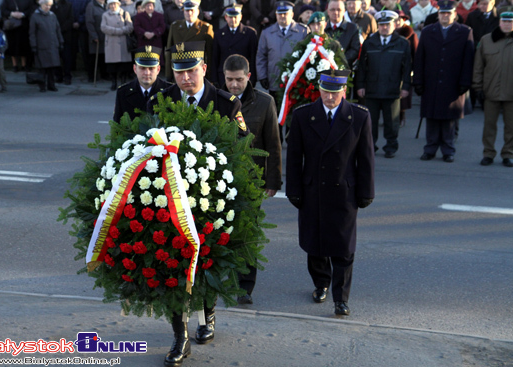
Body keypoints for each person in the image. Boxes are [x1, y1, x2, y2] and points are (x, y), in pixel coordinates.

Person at [146, 41, 247, 367]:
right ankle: (181, 337)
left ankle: (209, 315)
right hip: (170, 198)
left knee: (207, 263)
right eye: (179, 72)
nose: (186, 78)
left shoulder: (227, 103)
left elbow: (241, 149)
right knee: (172, 265)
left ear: (204, 69)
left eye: (192, 71)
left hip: (212, 199)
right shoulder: (163, 100)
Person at [286, 69, 375, 317]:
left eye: (335, 93)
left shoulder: (358, 117)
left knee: (344, 248)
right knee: (315, 244)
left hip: (343, 192)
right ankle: (320, 283)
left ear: (343, 92)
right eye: (325, 91)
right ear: (319, 89)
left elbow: (366, 159)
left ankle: (341, 298)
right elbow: (294, 158)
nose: (329, 97)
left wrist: (366, 191)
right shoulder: (304, 116)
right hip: (313, 190)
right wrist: (293, 189)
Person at [222, 54, 281, 304]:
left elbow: (274, 144)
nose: (234, 85)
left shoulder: (265, 102)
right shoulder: (217, 99)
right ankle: (223, 278)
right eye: (229, 80)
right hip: (221, 179)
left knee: (247, 233)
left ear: (249, 77)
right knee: (222, 232)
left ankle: (245, 286)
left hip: (251, 180)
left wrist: (273, 181)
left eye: (238, 80)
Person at [413, 0, 475, 163]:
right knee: (431, 116)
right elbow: (420, 58)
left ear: (455, 15)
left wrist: (465, 82)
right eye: (442, 13)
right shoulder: (428, 31)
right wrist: (418, 80)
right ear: (438, 14)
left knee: (449, 118)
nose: (445, 16)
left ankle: (448, 150)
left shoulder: (464, 31)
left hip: (453, 81)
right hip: (431, 80)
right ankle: (430, 148)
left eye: (448, 13)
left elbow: (468, 59)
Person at [356, 10, 411, 158]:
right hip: (372, 89)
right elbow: (362, 67)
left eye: (387, 25)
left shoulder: (402, 43)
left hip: (393, 89)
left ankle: (391, 146)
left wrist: (406, 87)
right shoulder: (369, 43)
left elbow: (407, 68)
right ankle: (370, 145)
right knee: (370, 121)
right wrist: (360, 85)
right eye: (381, 25)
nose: (384, 28)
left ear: (394, 25)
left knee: (391, 121)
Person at [473, 10, 513, 167]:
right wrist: (477, 86)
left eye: (510, 22)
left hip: (511, 92)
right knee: (489, 126)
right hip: (491, 91)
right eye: (504, 21)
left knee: (511, 127)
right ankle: (488, 153)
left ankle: (508, 154)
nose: (507, 24)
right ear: (499, 22)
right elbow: (478, 65)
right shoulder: (487, 40)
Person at [257, 1, 308, 100]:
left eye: (285, 13)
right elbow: (261, 56)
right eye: (279, 14)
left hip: (296, 81)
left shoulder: (303, 31)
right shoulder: (267, 33)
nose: (282, 16)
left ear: (292, 14)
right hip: (274, 80)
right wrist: (262, 76)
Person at [113, 45, 172, 122]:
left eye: (151, 68)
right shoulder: (123, 92)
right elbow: (117, 126)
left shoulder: (170, 91)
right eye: (142, 68)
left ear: (158, 69)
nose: (147, 73)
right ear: (135, 69)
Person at [165, 0, 213, 81]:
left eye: (192, 10)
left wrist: (209, 75)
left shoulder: (206, 28)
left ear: (198, 12)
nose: (189, 13)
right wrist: (169, 75)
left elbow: (210, 54)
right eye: (187, 10)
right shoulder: (175, 26)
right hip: (179, 69)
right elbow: (169, 52)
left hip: (196, 71)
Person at [212, 3, 258, 87]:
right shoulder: (218, 34)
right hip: (224, 77)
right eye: (230, 17)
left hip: (242, 76)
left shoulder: (250, 33)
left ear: (241, 17)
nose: (233, 20)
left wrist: (253, 78)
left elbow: (253, 57)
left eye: (235, 17)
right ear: (226, 17)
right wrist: (214, 79)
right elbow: (215, 58)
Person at [29, 0, 64, 92]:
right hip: (41, 46)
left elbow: (57, 29)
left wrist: (61, 42)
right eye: (46, 5)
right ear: (41, 4)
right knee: (42, 68)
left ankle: (51, 85)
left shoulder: (52, 15)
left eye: (50, 5)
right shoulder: (35, 16)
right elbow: (32, 33)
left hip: (53, 45)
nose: (48, 7)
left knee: (52, 67)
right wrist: (33, 46)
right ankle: (42, 85)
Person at [101, 0, 133, 90]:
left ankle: (123, 82)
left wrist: (122, 30)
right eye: (111, 4)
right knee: (112, 66)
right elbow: (103, 27)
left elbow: (130, 26)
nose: (113, 6)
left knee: (124, 65)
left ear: (118, 4)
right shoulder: (105, 15)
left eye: (114, 4)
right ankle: (113, 82)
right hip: (111, 43)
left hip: (123, 43)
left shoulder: (125, 13)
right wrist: (117, 31)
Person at [395, 10, 418, 127]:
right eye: (395, 19)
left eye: (400, 19)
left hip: (405, 69)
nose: (397, 21)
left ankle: (401, 116)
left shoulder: (411, 34)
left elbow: (415, 53)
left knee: (403, 96)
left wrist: (413, 69)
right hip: (391, 69)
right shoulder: (388, 34)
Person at [325, 0, 361, 68]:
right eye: (332, 10)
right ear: (328, 12)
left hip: (344, 70)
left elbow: (355, 50)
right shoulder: (323, 28)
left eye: (339, 10)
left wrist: (339, 61)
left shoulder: (352, 28)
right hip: (325, 69)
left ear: (344, 11)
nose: (335, 12)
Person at [0, 0, 34, 73]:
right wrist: (12, 13)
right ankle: (14, 65)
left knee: (24, 45)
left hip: (24, 26)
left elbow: (31, 9)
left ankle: (24, 65)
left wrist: (23, 14)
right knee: (12, 46)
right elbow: (3, 10)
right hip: (11, 27)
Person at [52, 0, 73, 85]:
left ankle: (67, 76)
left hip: (66, 35)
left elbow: (71, 19)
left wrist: (61, 29)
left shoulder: (68, 5)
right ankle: (58, 76)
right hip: (53, 35)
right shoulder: (50, 4)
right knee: (56, 56)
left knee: (66, 57)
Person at [86, 0, 108, 82]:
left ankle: (104, 74)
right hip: (96, 35)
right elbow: (89, 22)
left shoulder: (107, 5)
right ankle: (92, 76)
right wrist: (94, 35)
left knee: (103, 56)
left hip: (105, 36)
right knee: (94, 56)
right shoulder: (91, 5)